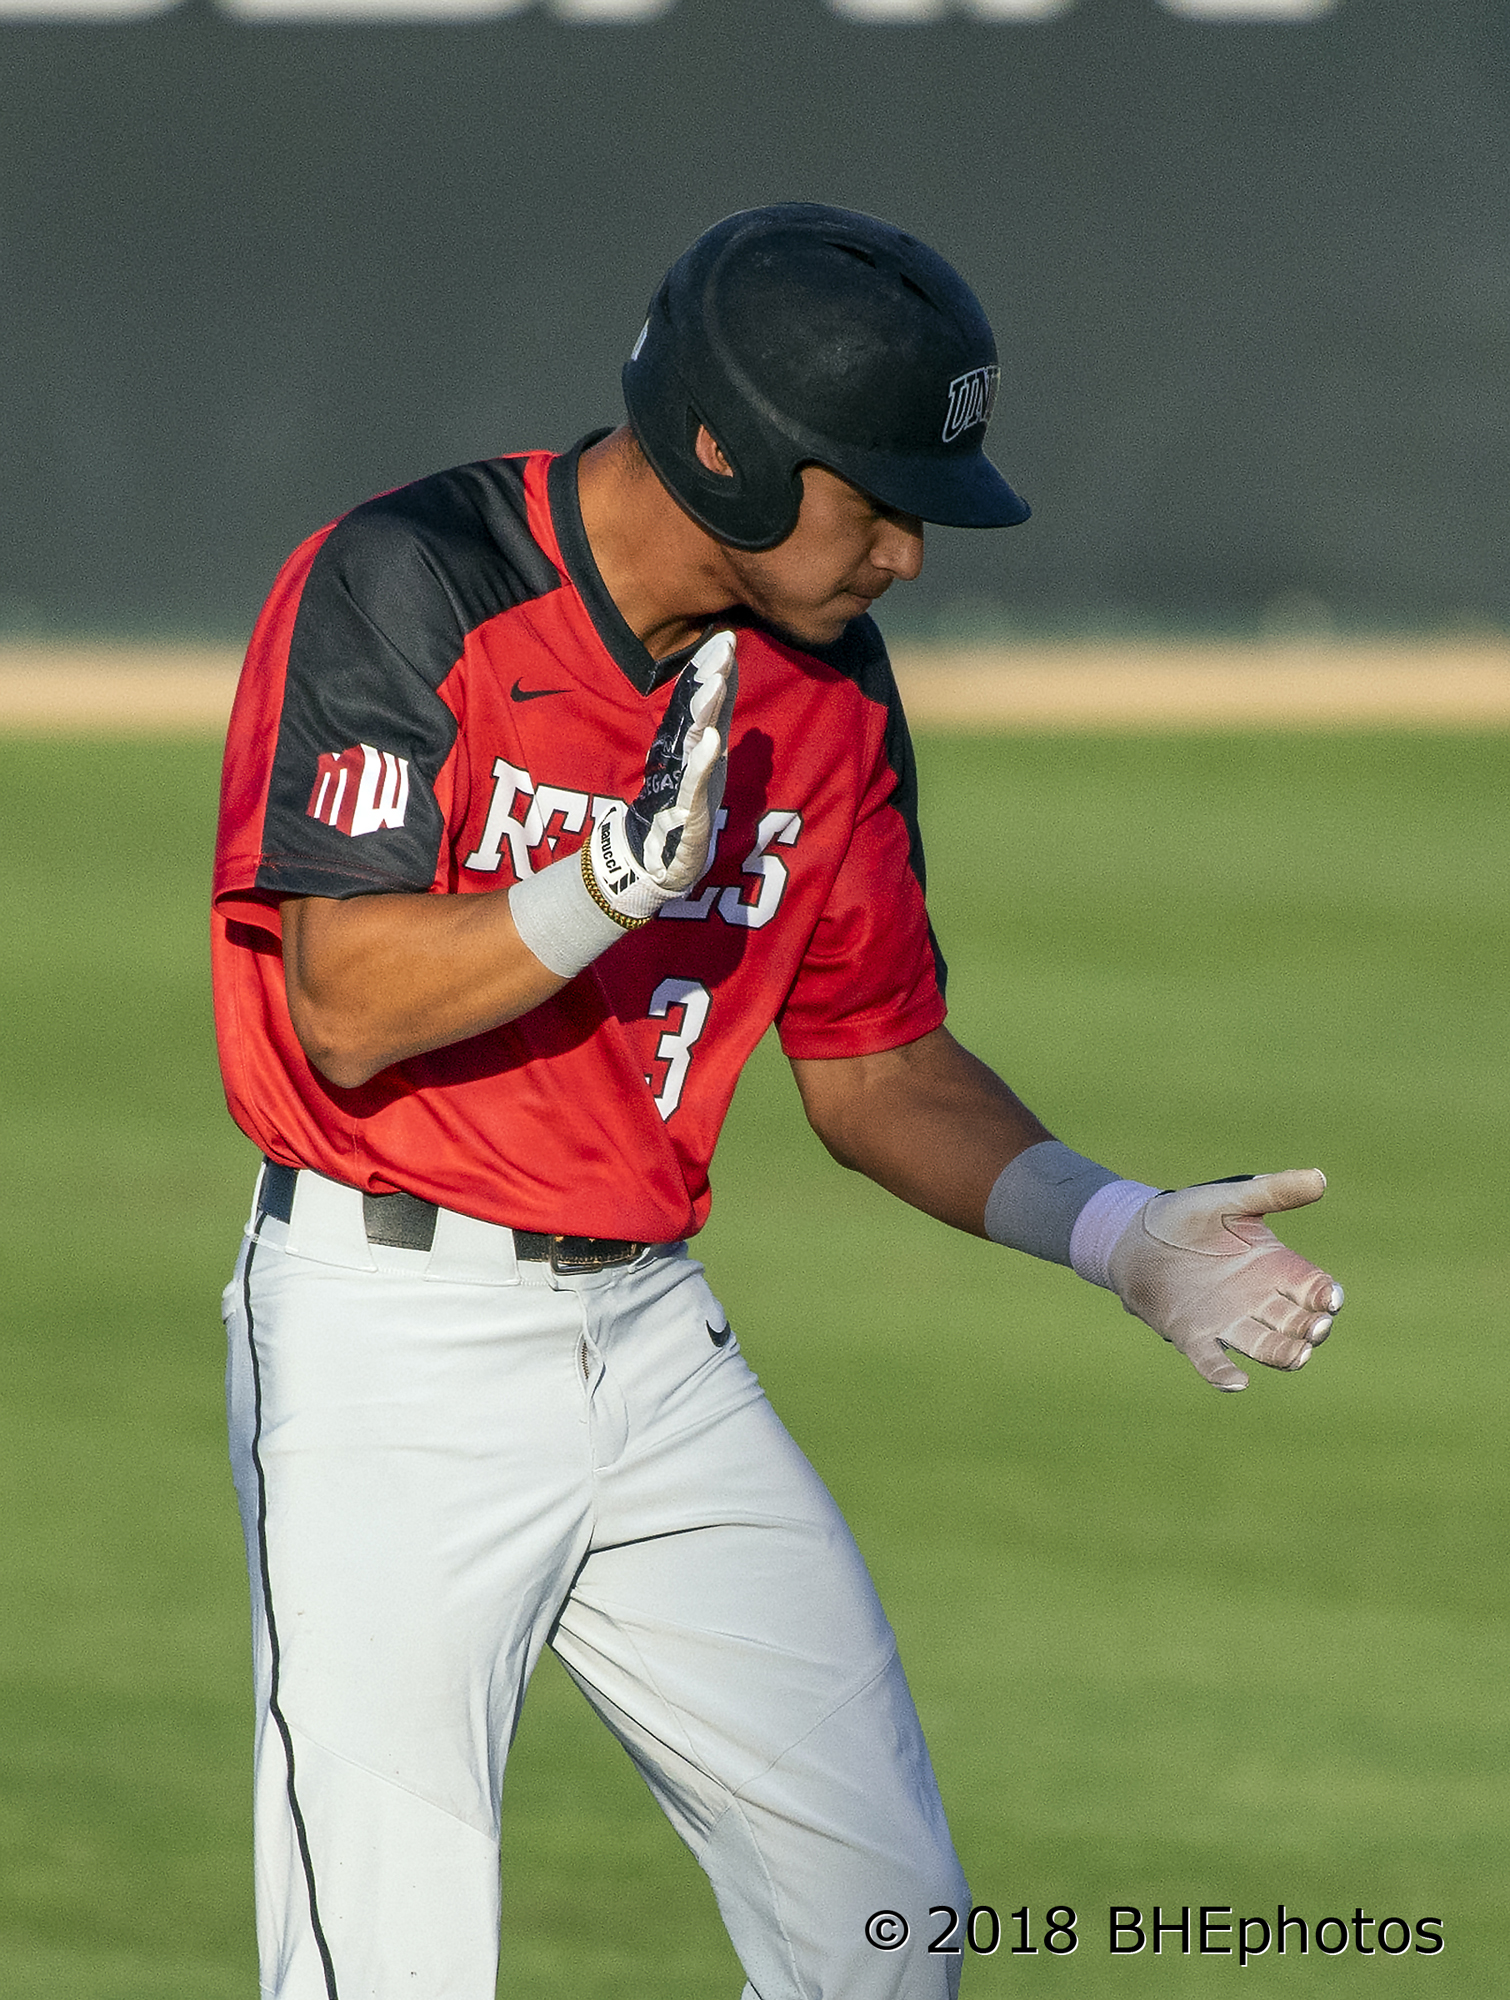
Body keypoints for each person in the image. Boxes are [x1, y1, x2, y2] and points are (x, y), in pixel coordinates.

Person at [211, 203, 1343, 2000]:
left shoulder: (822, 684)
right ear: (726, 448)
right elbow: (342, 1006)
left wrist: (1120, 1233)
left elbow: (876, 1062)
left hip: (650, 1341)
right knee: (386, 1966)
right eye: (875, 500)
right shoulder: (412, 579)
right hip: (388, 1348)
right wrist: (601, 888)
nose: (908, 550)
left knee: (880, 1924)